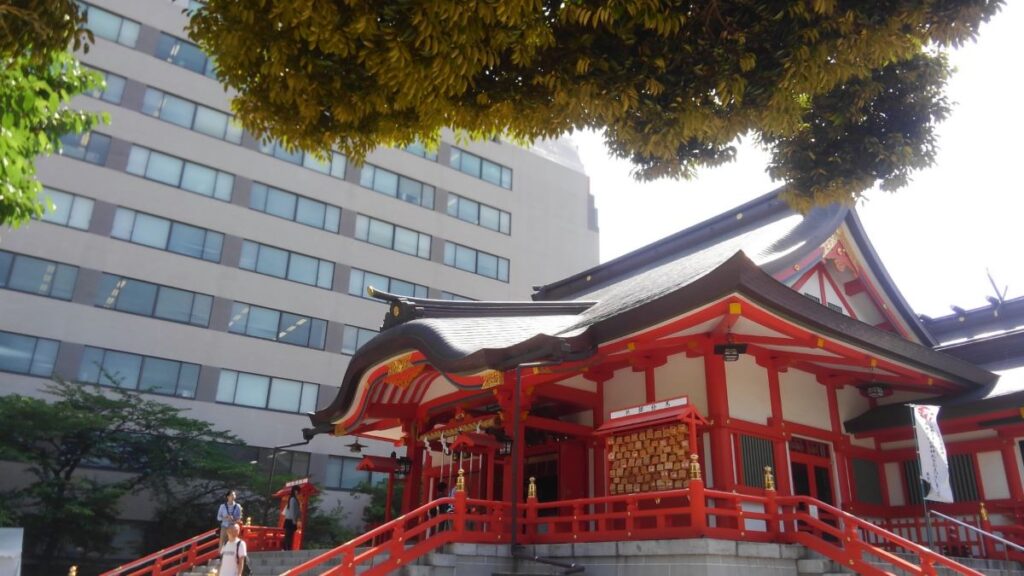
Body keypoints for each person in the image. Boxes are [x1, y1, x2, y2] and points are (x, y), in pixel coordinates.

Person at [281, 485, 300, 550]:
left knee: (289, 535)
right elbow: (292, 510)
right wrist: (294, 521)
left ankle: (286, 547)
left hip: (290, 520)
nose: (298, 492)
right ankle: (286, 548)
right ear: (295, 491)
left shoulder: (293, 499)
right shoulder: (292, 499)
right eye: (297, 491)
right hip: (290, 520)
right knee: (289, 535)